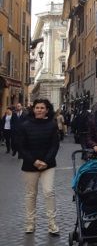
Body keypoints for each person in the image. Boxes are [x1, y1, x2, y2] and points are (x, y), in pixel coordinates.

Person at [17, 99, 60, 235]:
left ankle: (52, 225)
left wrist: (46, 161)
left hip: (48, 165)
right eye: (37, 107)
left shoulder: (53, 125)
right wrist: (34, 161)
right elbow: (21, 147)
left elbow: (55, 145)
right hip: (30, 165)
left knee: (49, 192)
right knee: (31, 195)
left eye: (42, 108)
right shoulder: (25, 125)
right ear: (33, 109)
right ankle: (30, 224)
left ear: (47, 110)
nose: (39, 110)